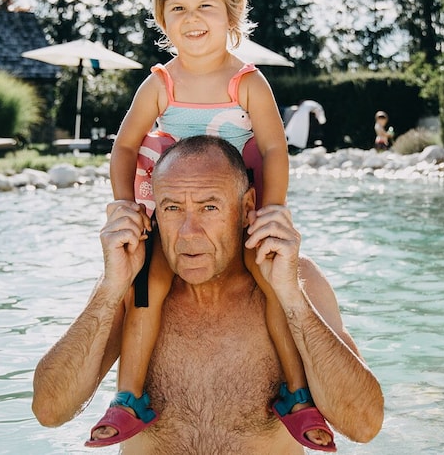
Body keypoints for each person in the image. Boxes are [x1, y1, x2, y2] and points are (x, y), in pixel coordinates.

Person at [93, 0, 332, 450]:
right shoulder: (160, 83)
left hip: (236, 215)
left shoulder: (247, 82)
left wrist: (272, 210)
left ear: (232, 15)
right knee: (146, 288)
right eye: (178, 8)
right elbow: (125, 146)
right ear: (162, 18)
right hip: (177, 218)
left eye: (206, 6)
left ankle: (296, 393)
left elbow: (274, 148)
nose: (192, 18)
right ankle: (129, 397)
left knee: (272, 285)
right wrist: (125, 204)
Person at [32, 135, 384, 453]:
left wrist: (292, 298)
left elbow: (363, 424)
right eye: (172, 208)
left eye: (209, 207)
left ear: (246, 208)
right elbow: (50, 409)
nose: (189, 231)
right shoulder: (131, 285)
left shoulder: (296, 279)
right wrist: (109, 291)